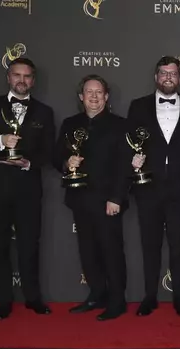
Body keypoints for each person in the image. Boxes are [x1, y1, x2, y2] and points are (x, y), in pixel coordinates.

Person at [0, 58, 55, 320]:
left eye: (27, 76)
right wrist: (0, 139)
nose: (22, 80)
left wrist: (29, 162)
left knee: (30, 245)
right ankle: (4, 300)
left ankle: (33, 297)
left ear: (33, 80)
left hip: (28, 189)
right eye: (17, 75)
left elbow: (49, 152)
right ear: (8, 78)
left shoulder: (44, 111)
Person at [127, 56, 180, 317]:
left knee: (179, 245)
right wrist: (133, 162)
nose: (168, 77)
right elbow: (129, 143)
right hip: (147, 186)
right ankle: (149, 296)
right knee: (150, 244)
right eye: (163, 73)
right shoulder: (137, 107)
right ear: (156, 77)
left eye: (173, 73)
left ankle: (179, 296)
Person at [54, 75, 133, 321]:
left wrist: (116, 198)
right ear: (81, 97)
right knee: (88, 252)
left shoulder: (120, 125)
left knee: (112, 252)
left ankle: (117, 301)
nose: (94, 96)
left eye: (99, 92)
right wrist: (67, 162)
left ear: (106, 96)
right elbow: (57, 157)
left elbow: (124, 166)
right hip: (79, 199)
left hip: (108, 201)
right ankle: (97, 294)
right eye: (89, 92)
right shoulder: (70, 123)